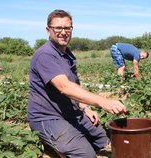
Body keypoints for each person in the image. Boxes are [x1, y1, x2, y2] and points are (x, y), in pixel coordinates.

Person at [27, 9, 127, 158]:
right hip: (47, 117)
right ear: (48, 30)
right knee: (86, 155)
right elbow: (64, 87)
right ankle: (53, 146)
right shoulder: (45, 54)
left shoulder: (67, 54)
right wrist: (103, 102)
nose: (63, 32)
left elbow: (73, 85)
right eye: (58, 28)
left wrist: (85, 107)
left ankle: (67, 143)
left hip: (69, 112)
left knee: (102, 140)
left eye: (67, 28)